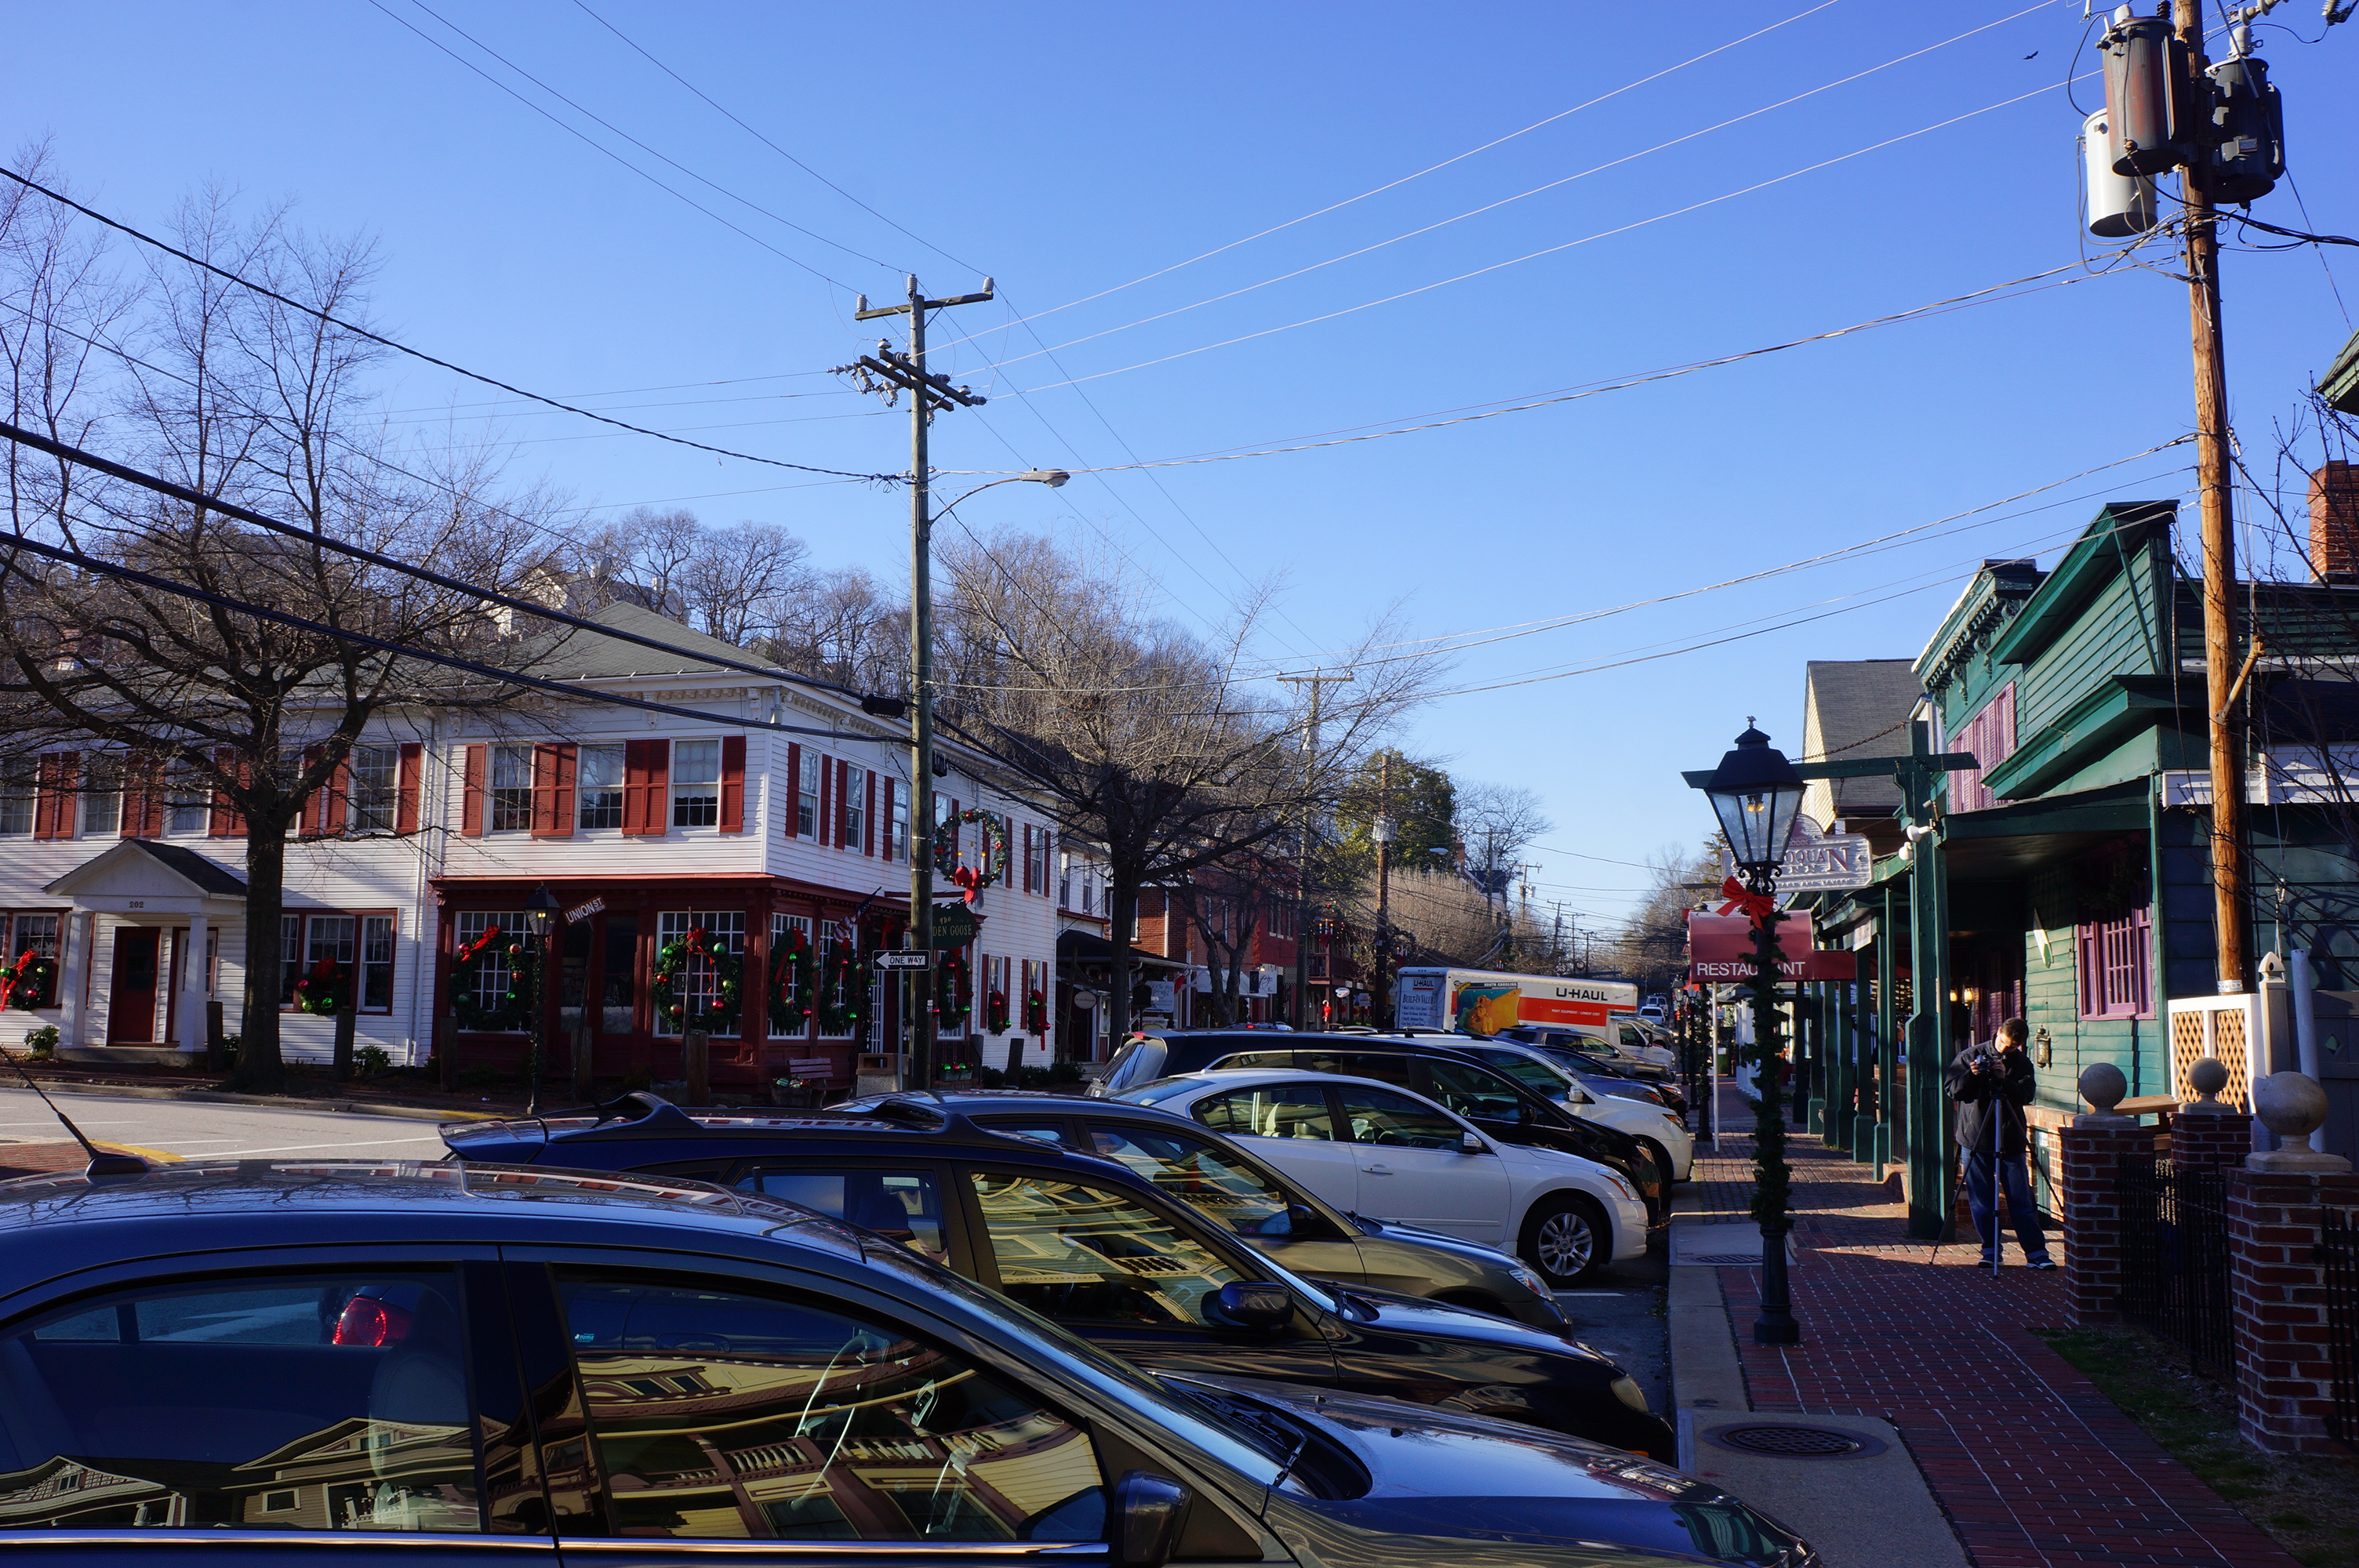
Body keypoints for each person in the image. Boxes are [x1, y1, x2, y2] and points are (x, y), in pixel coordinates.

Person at [1946, 1016, 2055, 1270]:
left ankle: (2037, 1253)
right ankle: (1990, 1250)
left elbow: (2026, 1096)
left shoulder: (2022, 1063)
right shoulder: (1970, 1055)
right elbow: (1953, 1091)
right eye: (2004, 1044)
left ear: (2020, 1045)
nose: (2005, 1050)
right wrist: (1973, 1075)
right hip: (1976, 1138)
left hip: (2010, 1139)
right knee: (1981, 1199)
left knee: (2021, 1199)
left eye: (2012, 1047)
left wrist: (2005, 1080)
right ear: (1998, 1033)